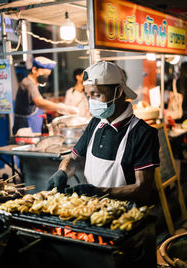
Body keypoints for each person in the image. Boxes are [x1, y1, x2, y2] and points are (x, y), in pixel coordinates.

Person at [47, 61, 160, 205]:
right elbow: (73, 159)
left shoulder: (143, 133)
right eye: (88, 95)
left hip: (123, 216)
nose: (91, 101)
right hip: (88, 211)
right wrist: (62, 172)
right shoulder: (95, 123)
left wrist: (99, 192)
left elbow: (142, 189)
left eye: (96, 94)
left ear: (118, 92)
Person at [13, 56, 78, 135]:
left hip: (33, 127)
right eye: (44, 74)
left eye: (48, 75)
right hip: (26, 129)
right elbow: (39, 102)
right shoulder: (28, 83)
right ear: (34, 70)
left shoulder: (34, 84)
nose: (45, 77)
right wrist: (62, 107)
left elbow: (34, 107)